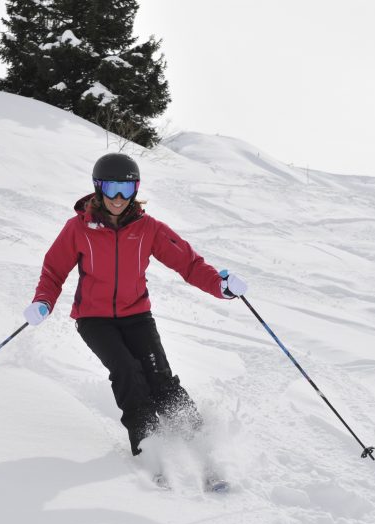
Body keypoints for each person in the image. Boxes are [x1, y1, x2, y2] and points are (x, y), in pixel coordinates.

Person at [24, 153, 248, 457]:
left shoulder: (148, 228)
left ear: (136, 191)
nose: (118, 198)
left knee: (160, 377)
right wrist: (43, 301)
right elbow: (54, 269)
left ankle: (199, 439)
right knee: (127, 371)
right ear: (98, 188)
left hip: (137, 316)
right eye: (112, 188)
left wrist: (220, 286)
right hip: (94, 320)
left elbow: (189, 263)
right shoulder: (78, 229)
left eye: (126, 190)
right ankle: (148, 447)